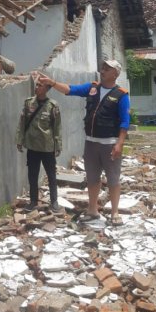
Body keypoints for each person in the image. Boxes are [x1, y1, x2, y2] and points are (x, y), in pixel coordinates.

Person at [37, 59, 130, 225]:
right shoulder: (92, 88)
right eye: (103, 67)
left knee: (113, 179)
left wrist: (119, 144)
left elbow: (125, 122)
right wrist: (52, 83)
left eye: (107, 69)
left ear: (115, 74)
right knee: (93, 178)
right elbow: (70, 90)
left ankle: (115, 213)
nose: (103, 70)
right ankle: (92, 210)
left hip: (110, 143)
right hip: (91, 143)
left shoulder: (121, 95)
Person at [15, 80, 62, 212]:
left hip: (47, 147)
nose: (37, 87)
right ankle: (33, 201)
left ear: (47, 89)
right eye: (36, 85)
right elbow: (22, 122)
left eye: (40, 86)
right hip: (32, 146)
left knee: (51, 175)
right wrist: (19, 140)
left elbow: (57, 127)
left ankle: (54, 201)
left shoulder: (52, 105)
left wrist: (58, 145)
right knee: (32, 175)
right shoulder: (29, 103)